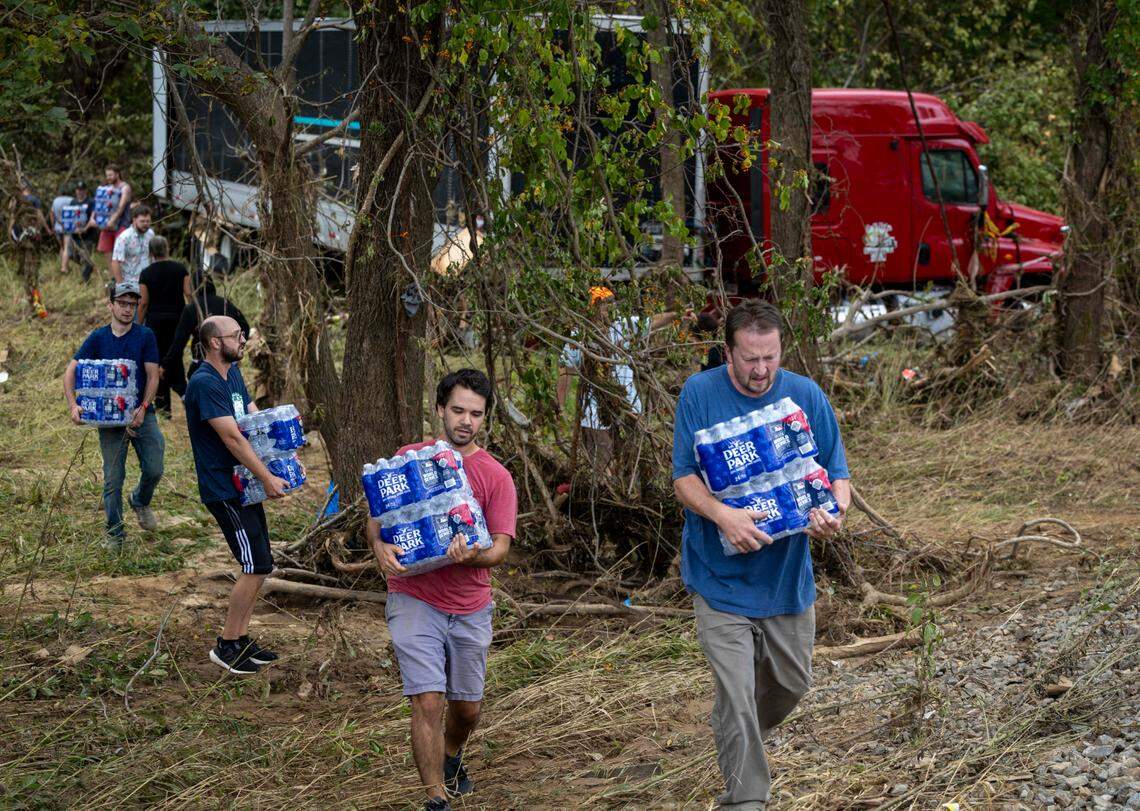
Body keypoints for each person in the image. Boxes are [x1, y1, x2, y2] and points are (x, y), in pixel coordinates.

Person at [671, 300, 851, 811]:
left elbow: (838, 477)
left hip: (786, 581)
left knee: (791, 684)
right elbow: (683, 477)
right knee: (735, 694)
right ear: (728, 352)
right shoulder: (699, 395)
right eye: (750, 359)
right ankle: (746, 800)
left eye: (769, 358)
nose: (760, 370)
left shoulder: (806, 396)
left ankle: (735, 727)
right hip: (719, 579)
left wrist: (833, 513)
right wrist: (723, 515)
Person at [369, 369, 517, 811]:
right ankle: (435, 798)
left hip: (471, 604)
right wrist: (378, 546)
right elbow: (378, 520)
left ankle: (451, 755)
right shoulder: (409, 460)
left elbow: (501, 549)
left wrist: (475, 554)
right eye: (457, 410)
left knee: (466, 710)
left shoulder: (496, 476)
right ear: (439, 409)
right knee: (428, 701)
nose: (466, 421)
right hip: (414, 596)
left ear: (485, 417)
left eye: (475, 413)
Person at [183, 315, 290, 675]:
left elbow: (251, 418)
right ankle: (227, 645)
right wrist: (268, 478)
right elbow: (232, 437)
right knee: (254, 564)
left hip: (243, 485)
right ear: (215, 342)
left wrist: (279, 447)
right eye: (236, 335)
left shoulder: (233, 374)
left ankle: (241, 639)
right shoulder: (204, 383)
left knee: (262, 563)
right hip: (224, 488)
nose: (243, 340)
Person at [64, 282, 165, 549]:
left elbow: (153, 375)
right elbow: (70, 372)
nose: (127, 309)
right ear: (110, 305)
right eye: (122, 303)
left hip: (142, 413)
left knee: (155, 468)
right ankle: (115, 532)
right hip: (109, 420)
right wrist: (74, 406)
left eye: (132, 304)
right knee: (113, 478)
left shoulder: (145, 336)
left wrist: (143, 408)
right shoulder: (98, 338)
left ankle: (140, 500)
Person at [557, 285, 684, 469]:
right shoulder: (580, 335)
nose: (607, 308)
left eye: (610, 303)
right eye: (602, 304)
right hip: (595, 414)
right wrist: (560, 406)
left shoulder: (622, 326)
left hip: (629, 408)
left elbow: (650, 321)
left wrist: (675, 315)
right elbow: (565, 370)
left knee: (631, 461)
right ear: (591, 308)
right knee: (602, 465)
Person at [161, 275, 250, 398]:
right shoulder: (225, 303)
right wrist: (234, 349)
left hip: (202, 363)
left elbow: (179, 342)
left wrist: (166, 364)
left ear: (194, 289)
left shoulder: (192, 308)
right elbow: (245, 326)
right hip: (228, 364)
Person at [138, 236, 190, 415]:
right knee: (173, 356)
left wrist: (138, 323)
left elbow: (143, 302)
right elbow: (189, 294)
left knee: (156, 360)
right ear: (167, 249)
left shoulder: (146, 273)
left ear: (150, 252)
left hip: (155, 323)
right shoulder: (180, 269)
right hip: (177, 321)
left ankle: (163, 407)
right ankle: (183, 392)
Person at [7, 175, 49, 316]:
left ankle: (34, 304)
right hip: (29, 241)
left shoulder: (16, 201)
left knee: (26, 274)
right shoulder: (32, 200)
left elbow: (12, 219)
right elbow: (40, 217)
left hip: (22, 240)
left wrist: (11, 235)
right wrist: (47, 230)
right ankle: (36, 306)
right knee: (32, 275)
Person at [91, 164, 132, 256]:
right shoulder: (106, 188)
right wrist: (92, 218)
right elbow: (98, 204)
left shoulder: (125, 187)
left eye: (110, 175)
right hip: (106, 225)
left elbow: (121, 206)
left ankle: (122, 270)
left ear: (117, 174)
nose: (108, 178)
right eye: (107, 175)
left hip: (122, 224)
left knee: (120, 251)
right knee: (106, 250)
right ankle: (112, 270)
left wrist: (113, 220)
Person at [110, 203, 154, 285]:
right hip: (130, 282)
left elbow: (152, 256)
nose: (145, 224)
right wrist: (121, 285)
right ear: (134, 220)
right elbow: (115, 262)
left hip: (148, 280)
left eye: (148, 221)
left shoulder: (150, 234)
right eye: (142, 221)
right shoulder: (124, 238)